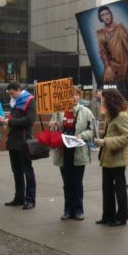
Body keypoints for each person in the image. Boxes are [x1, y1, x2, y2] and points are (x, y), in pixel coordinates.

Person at [49, 86, 95, 221]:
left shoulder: (86, 112)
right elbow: (52, 129)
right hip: (63, 152)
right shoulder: (59, 112)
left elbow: (92, 131)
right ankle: (68, 210)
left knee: (77, 183)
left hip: (78, 152)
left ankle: (79, 210)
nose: (73, 97)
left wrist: (82, 135)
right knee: (67, 183)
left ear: (79, 96)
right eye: (70, 95)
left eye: (76, 95)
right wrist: (53, 126)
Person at [94, 89, 128, 226]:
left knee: (119, 189)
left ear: (110, 99)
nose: (102, 101)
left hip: (118, 157)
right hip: (108, 157)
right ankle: (108, 216)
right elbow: (109, 133)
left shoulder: (122, 115)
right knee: (107, 187)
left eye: (103, 98)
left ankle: (122, 217)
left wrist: (105, 141)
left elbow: (127, 137)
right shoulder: (110, 114)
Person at [0, 82, 37, 210]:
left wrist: (10, 121)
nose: (12, 96)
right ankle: (19, 197)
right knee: (16, 171)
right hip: (13, 141)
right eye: (10, 94)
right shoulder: (15, 102)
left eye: (13, 94)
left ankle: (30, 199)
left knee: (27, 171)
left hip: (23, 140)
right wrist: (4, 120)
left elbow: (29, 120)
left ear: (19, 90)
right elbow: (13, 118)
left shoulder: (29, 101)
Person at [96, 5, 128, 83]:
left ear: (111, 14)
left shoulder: (121, 28)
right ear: (100, 18)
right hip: (113, 64)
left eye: (107, 14)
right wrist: (107, 67)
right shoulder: (101, 34)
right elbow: (103, 52)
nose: (106, 17)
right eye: (103, 15)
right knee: (106, 80)